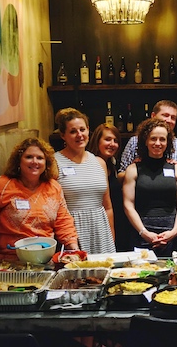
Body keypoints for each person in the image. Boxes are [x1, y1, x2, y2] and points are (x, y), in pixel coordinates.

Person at [0, 138, 79, 262]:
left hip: (46, 261)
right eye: (29, 157)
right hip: (9, 262)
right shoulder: (0, 186)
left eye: (40, 158)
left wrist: (74, 250)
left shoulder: (54, 187)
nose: (35, 162)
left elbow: (64, 223)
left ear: (46, 163)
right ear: (18, 161)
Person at [54, 108, 115, 254]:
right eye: (73, 131)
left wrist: (111, 238)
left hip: (100, 229)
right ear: (63, 135)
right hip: (73, 231)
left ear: (88, 130)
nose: (79, 135)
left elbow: (107, 207)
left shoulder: (100, 162)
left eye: (82, 129)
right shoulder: (54, 162)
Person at [123, 118, 177, 255]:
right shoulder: (133, 169)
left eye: (162, 139)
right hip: (142, 233)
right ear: (145, 141)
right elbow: (128, 204)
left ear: (168, 142)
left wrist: (174, 231)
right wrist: (143, 232)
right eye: (153, 139)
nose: (158, 143)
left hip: (171, 234)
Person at [119, 100, 177, 177]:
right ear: (153, 116)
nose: (169, 120)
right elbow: (120, 176)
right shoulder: (134, 142)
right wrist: (135, 169)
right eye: (165, 115)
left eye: (173, 118)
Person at [88, 123, 129, 252]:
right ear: (96, 140)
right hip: (103, 221)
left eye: (116, 141)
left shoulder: (111, 163)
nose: (112, 144)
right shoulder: (92, 163)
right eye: (107, 139)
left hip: (117, 218)